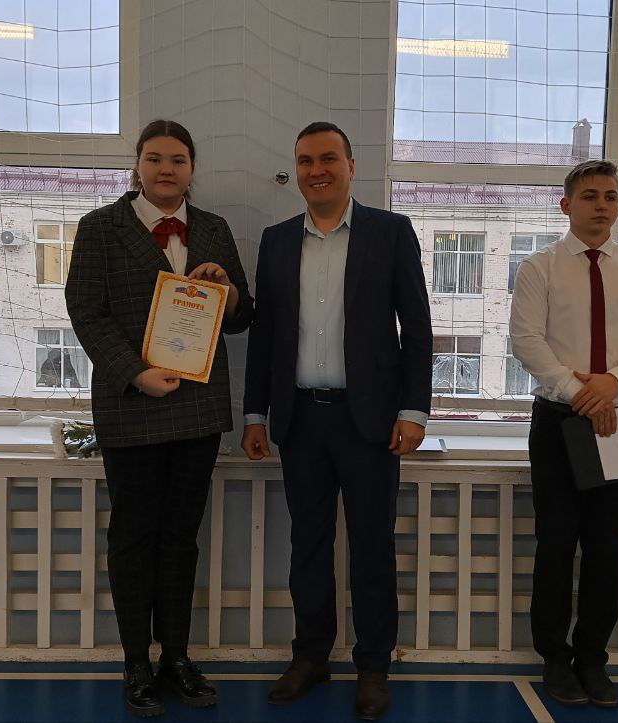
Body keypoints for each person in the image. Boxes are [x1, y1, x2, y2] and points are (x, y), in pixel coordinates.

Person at [241, 121, 432, 721]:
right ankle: (311, 656)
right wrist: (255, 413)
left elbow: (417, 327)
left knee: (373, 548)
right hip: (301, 421)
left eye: (327, 159)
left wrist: (414, 409)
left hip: (369, 423)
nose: (315, 170)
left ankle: (373, 665)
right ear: (296, 170)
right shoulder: (276, 241)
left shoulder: (390, 232)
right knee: (308, 546)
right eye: (305, 161)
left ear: (351, 165)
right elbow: (265, 336)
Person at [65, 119, 253, 718]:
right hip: (130, 405)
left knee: (179, 539)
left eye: (178, 160)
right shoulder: (100, 228)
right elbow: (86, 312)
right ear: (137, 165)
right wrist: (135, 372)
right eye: (154, 158)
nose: (166, 169)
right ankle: (135, 663)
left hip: (197, 410)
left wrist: (227, 290)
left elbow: (242, 317)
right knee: (133, 537)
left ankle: (176, 656)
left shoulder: (214, 229)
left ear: (192, 168)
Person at [509, 160, 618, 708]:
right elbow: (527, 341)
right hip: (559, 420)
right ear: (566, 205)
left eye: (610, 196)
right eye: (589, 196)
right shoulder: (539, 267)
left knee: (606, 549)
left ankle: (592, 659)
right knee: (557, 545)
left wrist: (612, 382)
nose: (601, 205)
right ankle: (555, 658)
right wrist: (579, 393)